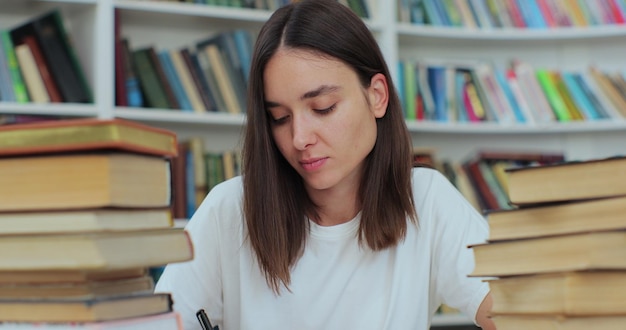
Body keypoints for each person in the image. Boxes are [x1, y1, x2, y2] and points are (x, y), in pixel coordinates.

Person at [154, 0, 495, 329]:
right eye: (279, 118)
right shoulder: (229, 211)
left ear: (377, 96)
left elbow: (517, 312)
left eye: (323, 107)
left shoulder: (426, 201)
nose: (300, 138)